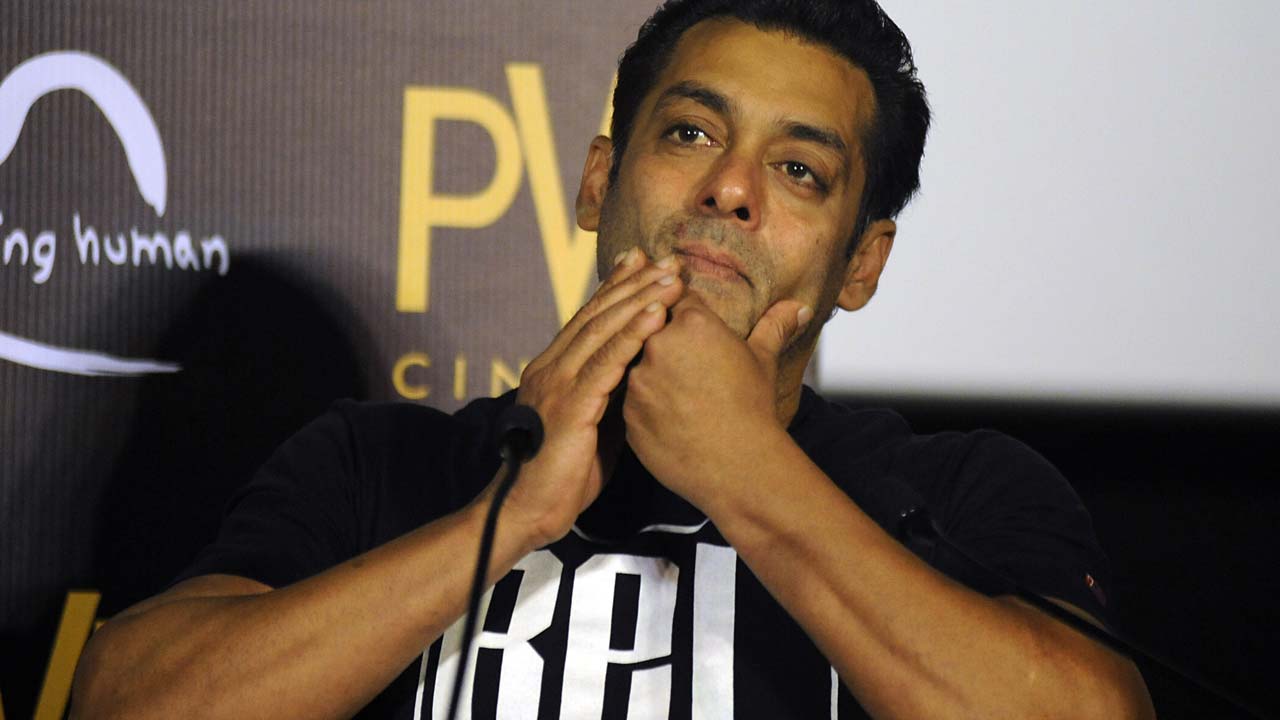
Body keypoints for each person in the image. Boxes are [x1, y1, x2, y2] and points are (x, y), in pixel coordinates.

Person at [72, 0, 1156, 718]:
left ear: (860, 264)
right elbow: (123, 702)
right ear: (599, 181)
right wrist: (508, 519)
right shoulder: (381, 465)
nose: (730, 189)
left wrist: (747, 472)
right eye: (690, 133)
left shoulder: (954, 494)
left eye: (799, 170)